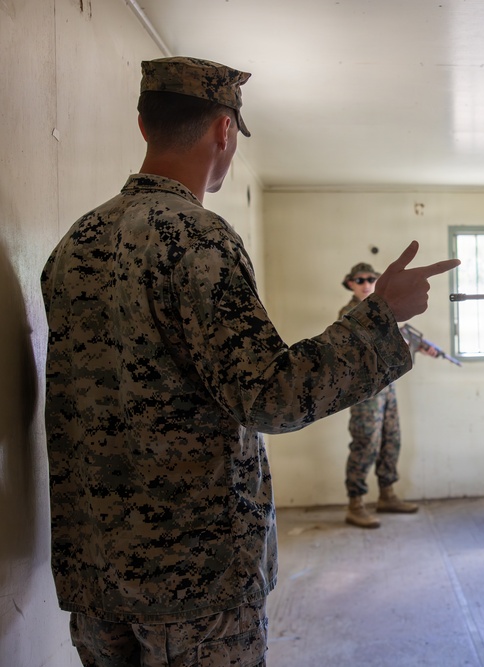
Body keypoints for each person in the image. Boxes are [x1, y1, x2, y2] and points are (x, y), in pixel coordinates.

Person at [40, 56, 459, 667]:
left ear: (142, 124)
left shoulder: (76, 242)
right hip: (195, 583)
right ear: (224, 131)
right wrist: (381, 316)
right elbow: (271, 396)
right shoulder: (197, 236)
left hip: (97, 578)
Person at [338, 261, 434, 528]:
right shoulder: (349, 313)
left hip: (386, 387)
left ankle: (387, 495)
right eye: (360, 280)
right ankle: (355, 503)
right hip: (364, 391)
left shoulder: (383, 310)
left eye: (371, 279)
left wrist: (419, 346)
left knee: (391, 439)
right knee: (365, 442)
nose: (366, 284)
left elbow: (398, 339)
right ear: (350, 284)